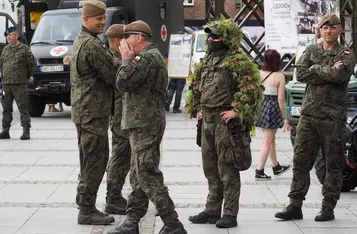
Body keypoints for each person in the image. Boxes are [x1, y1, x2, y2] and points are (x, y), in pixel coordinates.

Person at [107, 20, 187, 234]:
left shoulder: (147, 58)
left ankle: (173, 223)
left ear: (139, 37)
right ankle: (133, 220)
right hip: (141, 122)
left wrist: (125, 60)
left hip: (145, 124)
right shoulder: (146, 58)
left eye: (127, 37)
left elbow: (122, 82)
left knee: (147, 173)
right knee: (138, 173)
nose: (124, 42)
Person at [275, 14, 356, 222]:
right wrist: (325, 72)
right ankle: (295, 205)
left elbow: (338, 76)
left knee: (333, 164)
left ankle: (328, 207)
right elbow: (300, 73)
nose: (328, 31)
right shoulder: (311, 50)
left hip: (332, 119)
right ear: (319, 30)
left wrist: (316, 69)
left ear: (339, 30)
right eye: (324, 28)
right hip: (309, 117)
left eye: (332, 28)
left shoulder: (345, 53)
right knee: (300, 161)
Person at [185, 19, 264, 229]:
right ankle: (212, 210)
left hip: (225, 123)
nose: (212, 39)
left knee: (227, 169)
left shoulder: (239, 61)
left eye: (216, 36)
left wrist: (237, 110)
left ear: (227, 39)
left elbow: (253, 88)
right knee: (210, 168)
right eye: (210, 36)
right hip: (207, 121)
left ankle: (229, 212)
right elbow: (194, 85)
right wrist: (197, 108)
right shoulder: (207, 61)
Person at [70, 0, 116, 225]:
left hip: (85, 110)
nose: (102, 22)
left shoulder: (81, 40)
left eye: (103, 17)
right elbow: (112, 75)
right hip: (92, 112)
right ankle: (87, 209)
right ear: (85, 19)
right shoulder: (91, 45)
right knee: (95, 161)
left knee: (88, 159)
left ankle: (84, 202)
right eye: (98, 18)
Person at [104, 24, 130, 215]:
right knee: (120, 156)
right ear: (117, 41)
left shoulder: (119, 59)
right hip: (119, 115)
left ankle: (116, 195)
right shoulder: (113, 60)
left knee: (124, 155)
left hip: (124, 114)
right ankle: (112, 197)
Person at [253, 49, 291, 180]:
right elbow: (281, 99)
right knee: (267, 142)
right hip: (272, 107)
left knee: (270, 140)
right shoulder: (280, 76)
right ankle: (259, 171)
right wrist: (283, 115)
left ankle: (276, 167)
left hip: (261, 106)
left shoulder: (258, 74)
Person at [0, 26, 36, 140]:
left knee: (23, 107)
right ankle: (5, 130)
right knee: (6, 108)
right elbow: (2, 65)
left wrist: (25, 77)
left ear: (17, 36)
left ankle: (26, 130)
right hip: (6, 84)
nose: (8, 37)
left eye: (10, 35)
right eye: (7, 36)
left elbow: (32, 65)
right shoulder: (5, 50)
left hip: (20, 84)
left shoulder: (24, 49)